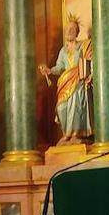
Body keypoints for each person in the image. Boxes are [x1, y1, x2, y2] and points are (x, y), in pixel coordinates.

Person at [38, 16, 93, 145]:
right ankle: (66, 134)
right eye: (67, 29)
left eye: (72, 29)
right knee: (61, 107)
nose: (69, 31)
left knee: (75, 103)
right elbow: (60, 67)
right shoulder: (63, 51)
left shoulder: (83, 46)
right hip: (66, 82)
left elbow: (90, 61)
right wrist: (49, 70)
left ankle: (75, 134)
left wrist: (90, 74)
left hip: (79, 81)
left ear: (77, 32)